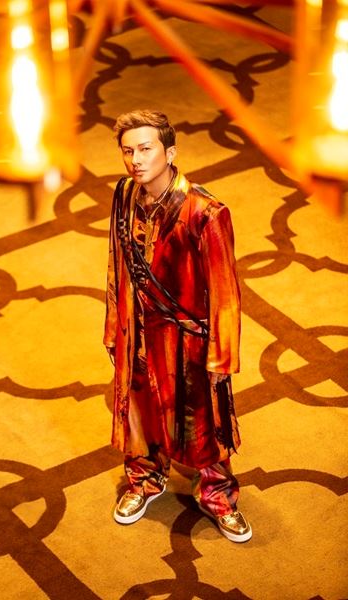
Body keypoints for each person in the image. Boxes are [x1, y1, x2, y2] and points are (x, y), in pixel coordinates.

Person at [104, 109, 252, 543]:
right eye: (128, 151)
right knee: (140, 410)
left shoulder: (206, 212)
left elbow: (225, 289)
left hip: (188, 337)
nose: (136, 160)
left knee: (202, 421)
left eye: (145, 149)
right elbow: (116, 262)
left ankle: (218, 496)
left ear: (170, 153)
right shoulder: (125, 194)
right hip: (138, 327)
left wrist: (222, 355)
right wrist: (114, 324)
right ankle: (144, 479)